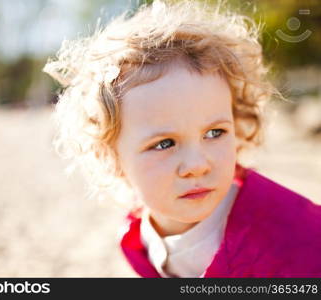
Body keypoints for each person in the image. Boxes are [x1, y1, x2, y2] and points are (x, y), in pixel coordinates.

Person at [43, 0, 321, 277]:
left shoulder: (292, 236)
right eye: (164, 143)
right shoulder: (139, 238)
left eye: (215, 133)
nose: (196, 165)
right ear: (111, 156)